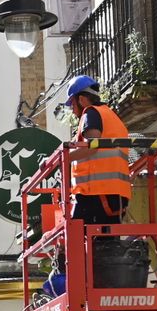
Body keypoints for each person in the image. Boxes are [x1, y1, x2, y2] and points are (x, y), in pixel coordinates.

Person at [64, 74, 132, 224]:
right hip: (115, 194)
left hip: (96, 193)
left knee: (75, 233)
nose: (74, 111)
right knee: (105, 243)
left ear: (81, 99)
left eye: (73, 105)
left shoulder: (91, 113)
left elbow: (93, 145)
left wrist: (63, 159)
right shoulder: (111, 116)